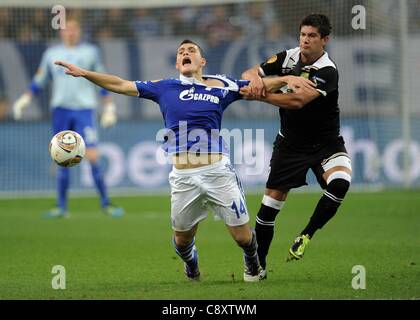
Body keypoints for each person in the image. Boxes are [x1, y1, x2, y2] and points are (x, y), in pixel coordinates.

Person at [54, 39, 265, 282]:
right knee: (182, 241)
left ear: (202, 61)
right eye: (181, 52)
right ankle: (191, 263)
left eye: (191, 50)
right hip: (183, 177)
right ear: (177, 62)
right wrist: (84, 73)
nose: (185, 53)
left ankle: (251, 259)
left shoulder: (223, 86)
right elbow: (121, 84)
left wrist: (290, 81)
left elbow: (261, 87)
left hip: (218, 173)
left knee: (243, 238)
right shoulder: (164, 87)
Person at [241, 14, 352, 274]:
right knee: (269, 209)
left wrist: (260, 95)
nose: (305, 40)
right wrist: (255, 80)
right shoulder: (287, 58)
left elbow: (296, 101)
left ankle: (306, 235)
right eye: (303, 35)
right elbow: (248, 74)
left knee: (341, 183)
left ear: (325, 40)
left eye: (312, 36)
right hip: (290, 145)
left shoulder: (327, 70)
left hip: (326, 143)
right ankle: (259, 267)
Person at [12, 18, 124, 218]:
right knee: (61, 157)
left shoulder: (90, 52)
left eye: (74, 29)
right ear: (61, 32)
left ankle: (106, 203)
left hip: (84, 109)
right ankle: (61, 207)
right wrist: (25, 99)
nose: (71, 32)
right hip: (61, 110)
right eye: (67, 29)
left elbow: (101, 78)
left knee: (92, 156)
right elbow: (40, 79)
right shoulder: (51, 54)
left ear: (79, 32)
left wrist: (109, 106)